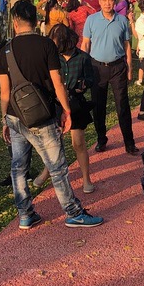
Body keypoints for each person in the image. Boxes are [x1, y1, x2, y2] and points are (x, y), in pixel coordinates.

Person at [0, 0, 103, 230]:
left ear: (15, 22)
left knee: (18, 166)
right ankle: (73, 212)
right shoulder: (46, 45)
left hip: (15, 115)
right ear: (37, 21)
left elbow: (4, 92)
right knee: (57, 166)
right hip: (41, 114)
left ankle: (25, 214)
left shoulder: (5, 49)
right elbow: (57, 83)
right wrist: (66, 111)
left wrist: (4, 118)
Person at [32, 24, 98, 195]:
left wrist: (82, 86)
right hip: (56, 104)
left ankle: (86, 179)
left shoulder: (83, 57)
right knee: (53, 143)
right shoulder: (53, 58)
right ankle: (46, 172)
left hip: (76, 104)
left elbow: (91, 79)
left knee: (78, 143)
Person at [81, 0, 138, 156]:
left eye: (110, 0)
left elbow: (127, 45)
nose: (107, 3)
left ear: (115, 1)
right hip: (97, 68)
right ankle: (101, 139)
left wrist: (130, 67)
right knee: (99, 106)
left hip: (118, 67)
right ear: (99, 1)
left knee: (122, 105)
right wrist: (84, 68)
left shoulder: (121, 20)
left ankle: (129, 142)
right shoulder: (91, 20)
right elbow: (85, 44)